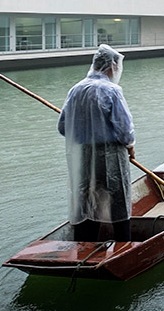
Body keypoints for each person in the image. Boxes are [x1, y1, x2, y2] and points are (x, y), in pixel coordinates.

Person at [57, 44, 136, 242]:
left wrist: (85, 131)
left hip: (83, 155)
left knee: (87, 198)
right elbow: (124, 129)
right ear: (111, 66)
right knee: (118, 199)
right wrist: (131, 146)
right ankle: (123, 244)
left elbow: (63, 127)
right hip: (110, 155)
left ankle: (85, 245)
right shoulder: (112, 91)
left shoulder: (75, 90)